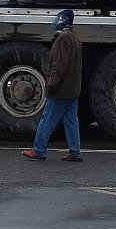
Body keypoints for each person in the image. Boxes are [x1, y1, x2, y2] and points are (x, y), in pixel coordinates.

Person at [23, 9, 83, 162]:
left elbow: (59, 66)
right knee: (71, 121)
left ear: (62, 21)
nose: (54, 22)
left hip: (61, 89)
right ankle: (75, 152)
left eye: (57, 20)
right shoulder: (75, 38)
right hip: (72, 89)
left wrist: (52, 85)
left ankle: (39, 150)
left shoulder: (63, 39)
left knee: (47, 119)